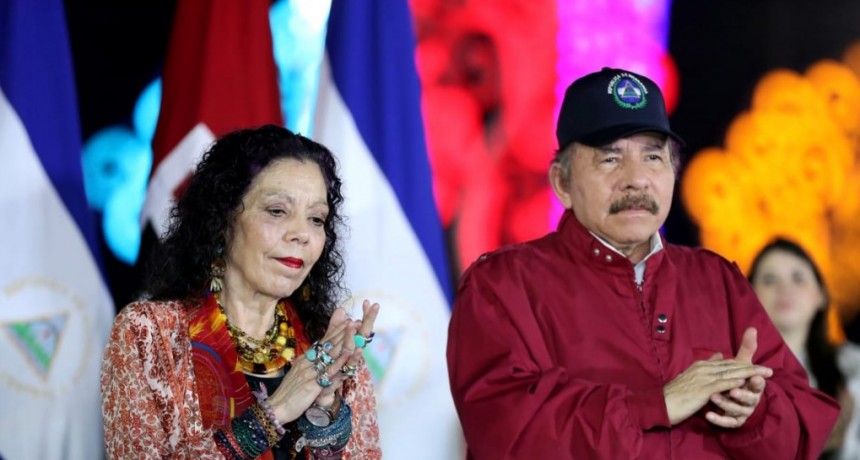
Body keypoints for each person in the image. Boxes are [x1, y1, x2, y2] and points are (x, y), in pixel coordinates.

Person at [446, 67, 840, 459]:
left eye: (653, 157)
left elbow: (802, 430)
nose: (636, 179)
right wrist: (655, 405)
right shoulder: (501, 285)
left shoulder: (716, 280)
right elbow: (505, 431)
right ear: (562, 184)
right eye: (610, 159)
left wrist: (755, 411)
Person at [101, 125, 382, 459]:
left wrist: (326, 413)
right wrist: (273, 414)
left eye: (317, 219)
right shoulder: (148, 333)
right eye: (277, 211)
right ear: (223, 219)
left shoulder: (329, 349)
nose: (302, 234)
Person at [749, 238, 857, 460]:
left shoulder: (853, 367)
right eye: (769, 280)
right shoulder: (732, 371)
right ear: (749, 296)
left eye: (798, 278)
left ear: (821, 295)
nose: (784, 289)